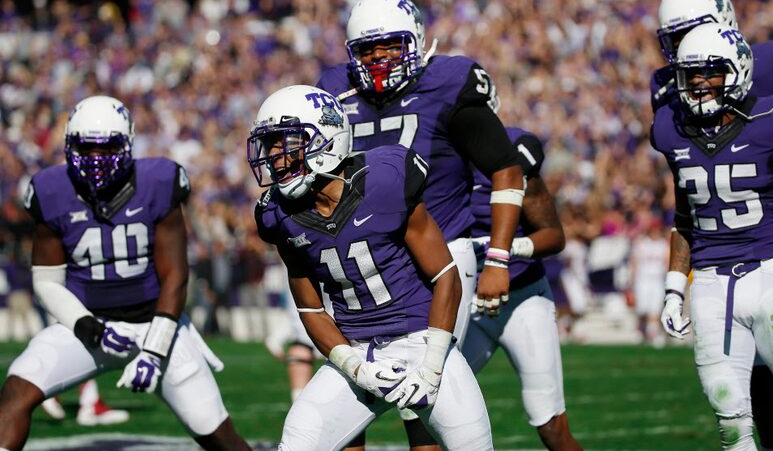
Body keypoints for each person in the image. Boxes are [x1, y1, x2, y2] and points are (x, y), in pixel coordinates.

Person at [249, 85, 492, 450]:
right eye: (270, 147)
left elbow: (446, 276)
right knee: (297, 443)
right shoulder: (279, 216)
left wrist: (431, 369)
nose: (276, 159)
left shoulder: (384, 179)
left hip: (421, 342)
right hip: (358, 350)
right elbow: (311, 309)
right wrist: (356, 368)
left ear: (326, 138)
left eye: (286, 144)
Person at [0, 96, 250, 451]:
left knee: (217, 434)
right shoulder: (50, 191)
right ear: (70, 147)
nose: (96, 160)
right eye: (86, 149)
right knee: (17, 389)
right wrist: (89, 328)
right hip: (88, 324)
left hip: (156, 325)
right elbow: (47, 281)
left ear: (128, 144)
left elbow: (175, 276)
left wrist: (153, 351)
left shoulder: (157, 182)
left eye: (107, 149)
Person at [653, 0, 773, 451]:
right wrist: (676, 282)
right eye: (673, 38)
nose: (680, 53)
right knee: (743, 388)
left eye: (690, 32)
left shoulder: (771, 62)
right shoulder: (670, 94)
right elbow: (689, 190)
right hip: (717, 251)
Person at [463, 127, 582, 451]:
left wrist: (501, 250)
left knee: (550, 425)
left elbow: (553, 235)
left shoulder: (511, 154)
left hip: (521, 299)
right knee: (427, 405)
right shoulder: (433, 159)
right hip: (464, 305)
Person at [627, 217, 669, 348]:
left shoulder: (664, 244)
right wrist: (631, 281)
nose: (655, 232)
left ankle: (653, 333)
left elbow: (666, 262)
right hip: (642, 279)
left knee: (654, 308)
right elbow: (635, 262)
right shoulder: (642, 243)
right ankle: (640, 330)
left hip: (657, 279)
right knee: (642, 308)